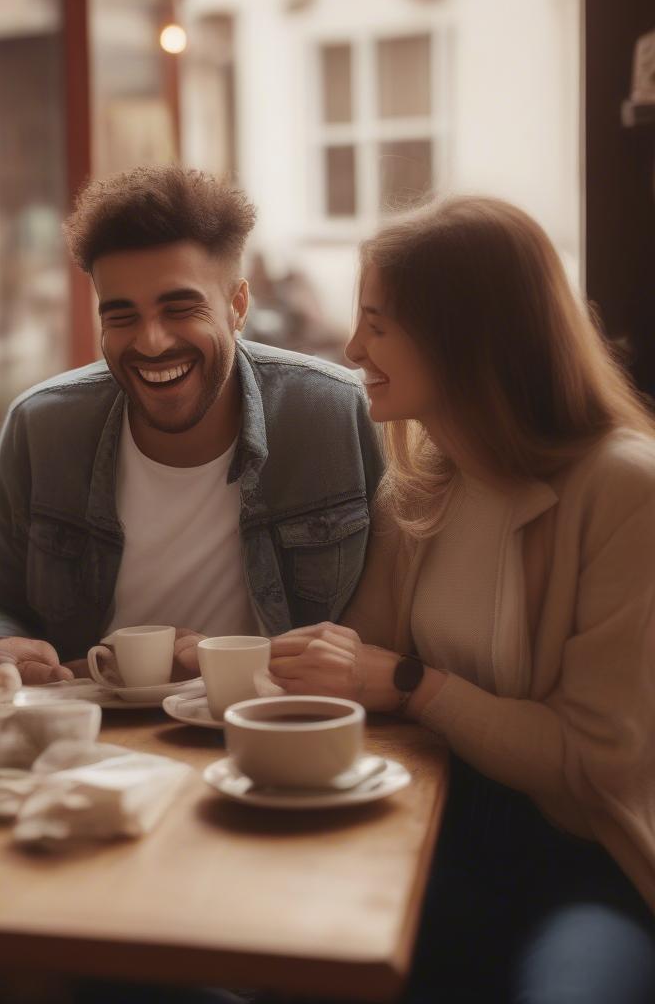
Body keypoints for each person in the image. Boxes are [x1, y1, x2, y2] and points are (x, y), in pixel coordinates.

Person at [268, 196, 655, 1003]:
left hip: (589, 859)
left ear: (464, 334)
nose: (350, 349)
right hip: (428, 831)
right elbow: (360, 672)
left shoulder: (627, 490)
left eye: (376, 324)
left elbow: (594, 763)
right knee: (290, 966)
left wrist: (417, 685)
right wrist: (215, 660)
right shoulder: (420, 488)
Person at [0, 165, 382, 680]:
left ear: (238, 305)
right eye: (121, 316)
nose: (151, 342)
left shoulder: (332, 414)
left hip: (284, 729)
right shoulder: (41, 426)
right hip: (96, 744)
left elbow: (389, 617)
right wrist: (0, 646)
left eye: (180, 308)